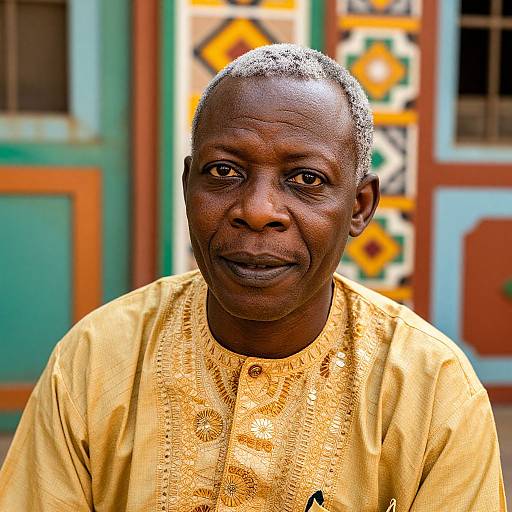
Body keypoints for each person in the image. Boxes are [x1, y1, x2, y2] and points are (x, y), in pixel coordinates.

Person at [0, 44, 506, 512]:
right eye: (224, 172)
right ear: (187, 185)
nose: (258, 211)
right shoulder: (96, 359)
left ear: (359, 206)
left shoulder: (433, 390)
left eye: (306, 179)